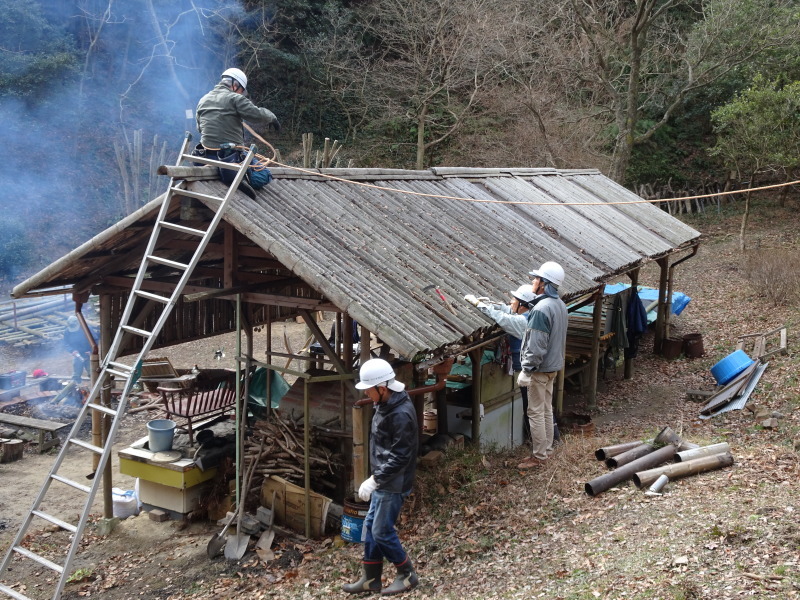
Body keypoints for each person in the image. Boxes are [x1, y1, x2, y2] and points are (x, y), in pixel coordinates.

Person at [344, 358, 419, 596]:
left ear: (382, 388)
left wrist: (375, 479)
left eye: (368, 388)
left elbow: (400, 457)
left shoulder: (400, 414)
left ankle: (407, 574)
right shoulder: (386, 402)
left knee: (382, 531)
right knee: (370, 525)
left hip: (393, 482)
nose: (366, 392)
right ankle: (371, 579)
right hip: (384, 477)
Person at [464, 286, 560, 445]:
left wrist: (480, 305)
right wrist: (493, 304)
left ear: (522, 304)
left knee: (533, 411)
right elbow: (508, 310)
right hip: (540, 369)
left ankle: (542, 447)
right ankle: (550, 443)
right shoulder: (531, 314)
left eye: (514, 299)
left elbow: (504, 319)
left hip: (532, 372)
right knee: (542, 408)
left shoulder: (523, 322)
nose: (510, 301)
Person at [195, 68, 280, 197]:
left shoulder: (203, 99)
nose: (241, 93)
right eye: (241, 90)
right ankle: (242, 178)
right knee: (264, 175)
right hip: (230, 156)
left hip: (205, 155)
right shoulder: (235, 98)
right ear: (235, 85)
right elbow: (256, 114)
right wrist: (272, 117)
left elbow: (200, 129)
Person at [517, 261, 568, 469]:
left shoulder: (541, 309)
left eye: (536, 278)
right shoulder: (560, 305)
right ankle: (547, 450)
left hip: (539, 369)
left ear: (544, 283)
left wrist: (526, 369)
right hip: (554, 367)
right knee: (546, 409)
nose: (533, 281)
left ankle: (539, 457)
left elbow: (536, 345)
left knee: (535, 412)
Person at [62, 316, 94, 384]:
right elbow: (66, 343)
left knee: (92, 373)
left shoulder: (87, 328)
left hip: (88, 354)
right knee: (76, 375)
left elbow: (95, 339)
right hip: (77, 355)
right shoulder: (67, 331)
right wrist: (72, 350)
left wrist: (91, 350)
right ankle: (76, 388)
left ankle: (96, 389)